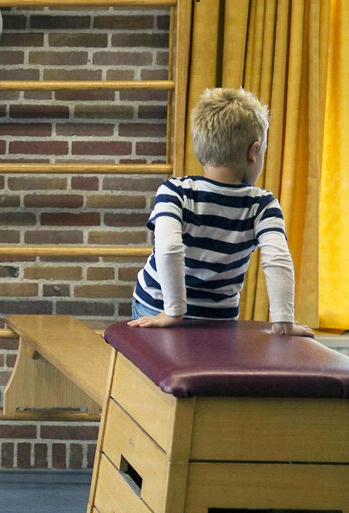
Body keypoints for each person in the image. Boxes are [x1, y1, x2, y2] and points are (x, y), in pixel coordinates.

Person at [129, 87, 312, 337]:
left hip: (157, 306)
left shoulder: (175, 191)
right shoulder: (263, 205)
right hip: (217, 320)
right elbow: (277, 260)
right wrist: (283, 321)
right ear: (253, 151)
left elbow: (168, 248)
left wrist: (173, 312)